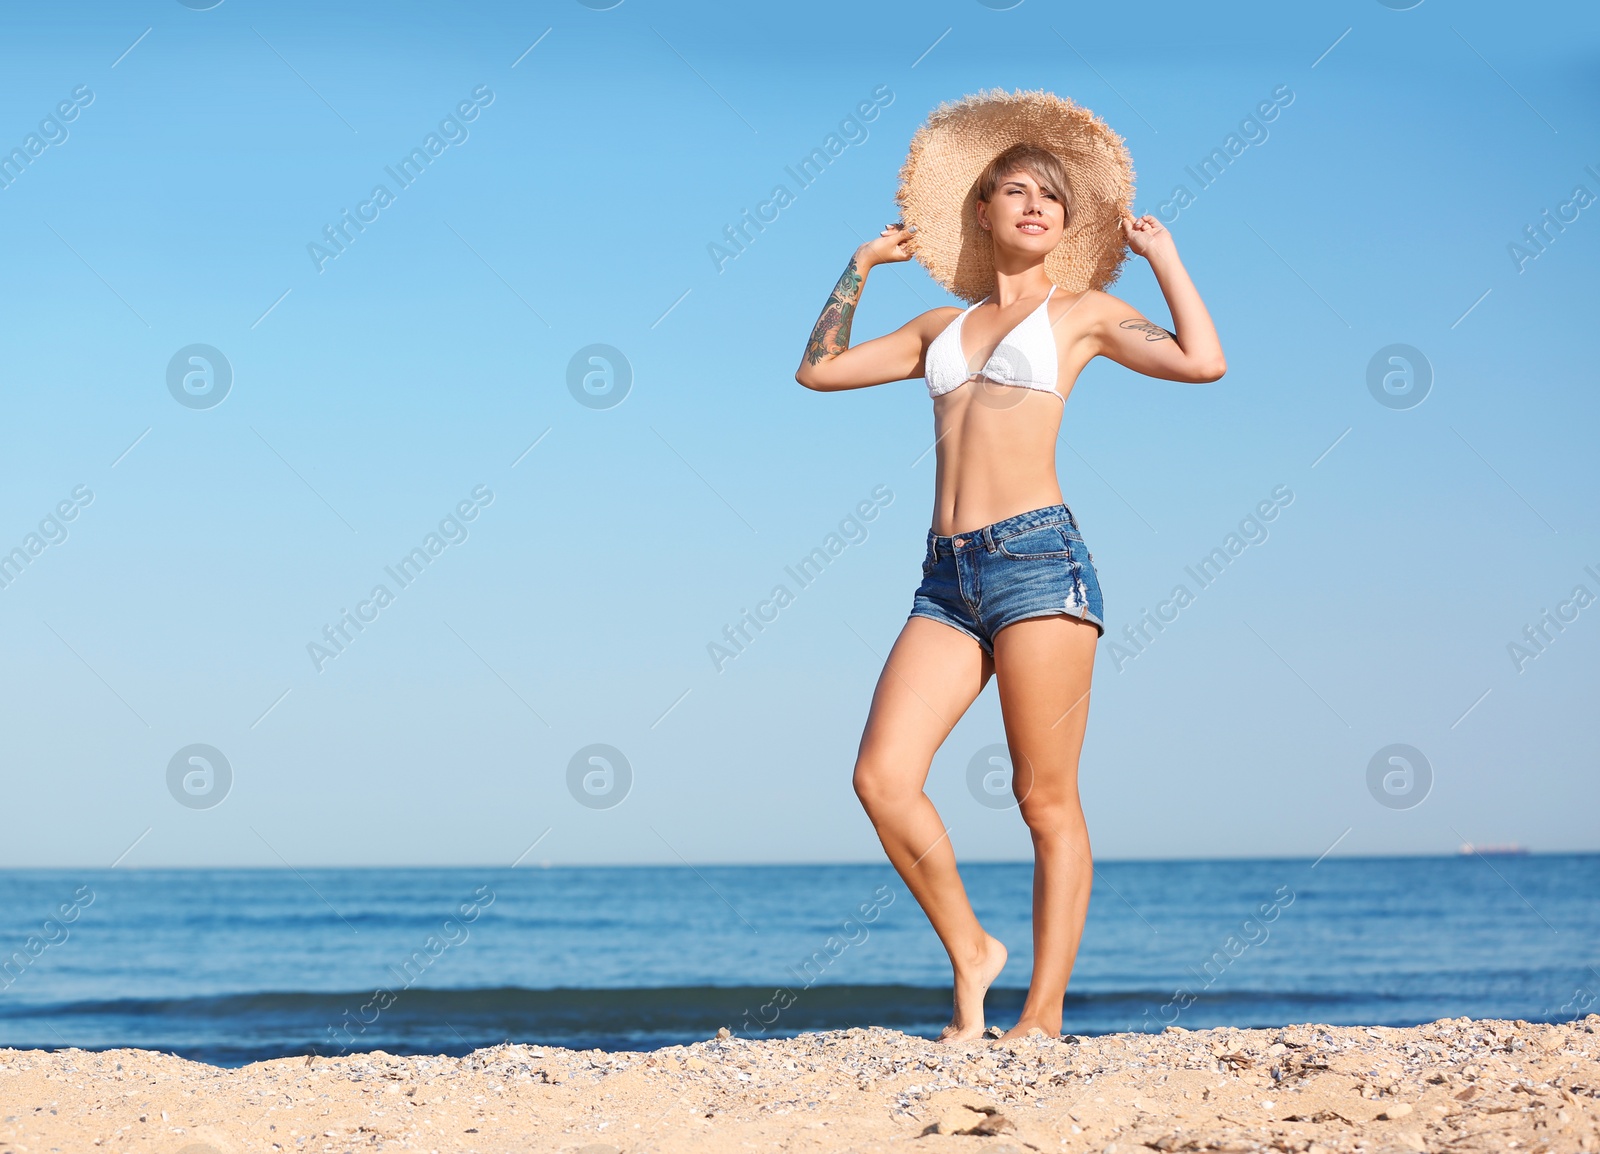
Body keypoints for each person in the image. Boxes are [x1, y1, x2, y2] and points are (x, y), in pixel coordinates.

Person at [793, 91, 1225, 1043]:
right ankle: (974, 951)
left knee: (1043, 796)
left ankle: (1043, 1014)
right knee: (882, 778)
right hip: (945, 581)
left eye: (1051, 197)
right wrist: (858, 266)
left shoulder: (1086, 314)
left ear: (1067, 225)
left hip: (1039, 562)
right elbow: (817, 371)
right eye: (1014, 191)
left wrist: (1167, 261)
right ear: (982, 213)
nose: (1034, 205)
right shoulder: (934, 330)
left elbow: (1204, 363)